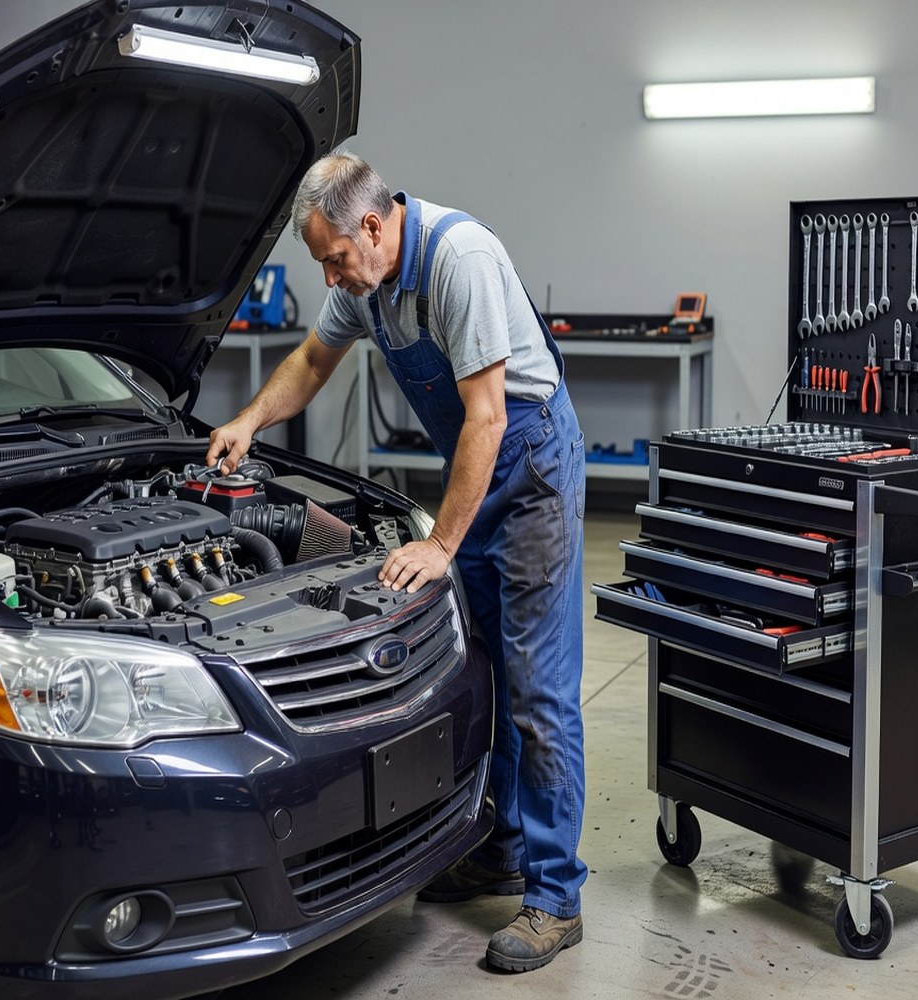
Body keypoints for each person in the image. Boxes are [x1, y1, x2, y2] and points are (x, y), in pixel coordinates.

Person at [205, 151, 588, 972]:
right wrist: (248, 421)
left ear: (373, 227)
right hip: (474, 469)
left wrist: (441, 543)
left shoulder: (460, 260)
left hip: (531, 470)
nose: (331, 277)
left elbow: (488, 416)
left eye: (335, 258)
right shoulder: (366, 281)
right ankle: (502, 849)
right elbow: (312, 361)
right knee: (488, 669)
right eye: (323, 263)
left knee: (539, 688)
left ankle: (557, 898)